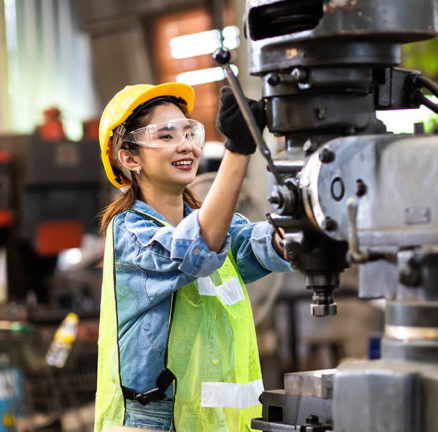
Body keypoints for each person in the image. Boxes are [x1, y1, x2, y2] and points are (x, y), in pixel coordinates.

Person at [93, 82, 292, 431]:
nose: (185, 144)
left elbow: (258, 245)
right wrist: (238, 151)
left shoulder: (214, 224)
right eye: (166, 136)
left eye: (189, 132)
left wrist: (301, 225)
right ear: (129, 158)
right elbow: (196, 250)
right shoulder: (129, 232)